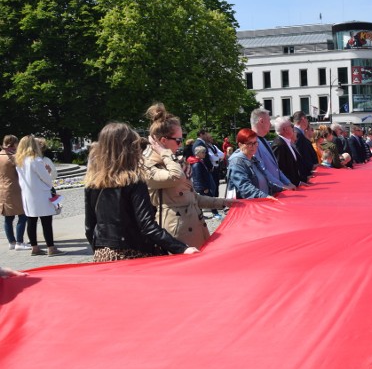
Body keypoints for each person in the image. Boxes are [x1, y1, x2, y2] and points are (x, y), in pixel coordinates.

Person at [84, 123, 197, 262]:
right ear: (128, 148)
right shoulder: (134, 180)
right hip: (132, 254)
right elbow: (147, 226)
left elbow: (89, 228)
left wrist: (100, 251)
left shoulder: (92, 183)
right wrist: (181, 248)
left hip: (103, 255)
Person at [142, 104, 232, 248]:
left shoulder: (173, 161)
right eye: (178, 140)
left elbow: (192, 198)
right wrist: (164, 152)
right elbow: (176, 177)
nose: (181, 144)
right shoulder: (149, 163)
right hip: (175, 234)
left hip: (194, 226)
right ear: (163, 141)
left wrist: (224, 203)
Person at [15, 135, 60, 256]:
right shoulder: (35, 160)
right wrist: (49, 172)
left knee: (31, 221)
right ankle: (51, 247)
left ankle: (34, 247)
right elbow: (47, 179)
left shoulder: (20, 161)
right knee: (46, 222)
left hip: (27, 194)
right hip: (41, 194)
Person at [226, 128, 285, 199]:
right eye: (249, 143)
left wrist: (281, 189)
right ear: (240, 145)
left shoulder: (253, 159)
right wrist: (265, 196)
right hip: (247, 206)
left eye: (255, 143)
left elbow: (266, 182)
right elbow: (244, 187)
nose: (253, 146)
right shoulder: (237, 162)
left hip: (260, 203)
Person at [250, 108, 296, 191]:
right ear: (261, 121)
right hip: (266, 192)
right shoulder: (252, 144)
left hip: (274, 189)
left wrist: (288, 183)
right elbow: (263, 170)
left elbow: (276, 168)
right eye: (269, 120)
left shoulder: (264, 141)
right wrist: (282, 186)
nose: (270, 124)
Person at [1, 135, 27, 251]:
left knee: (8, 217)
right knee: (22, 215)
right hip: (15, 188)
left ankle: (11, 241)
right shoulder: (13, 157)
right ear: (14, 144)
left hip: (3, 189)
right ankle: (19, 242)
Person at [271, 116, 309, 185]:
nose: (293, 128)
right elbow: (280, 170)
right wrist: (295, 183)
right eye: (291, 126)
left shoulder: (286, 142)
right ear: (285, 129)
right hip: (290, 186)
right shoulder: (279, 145)